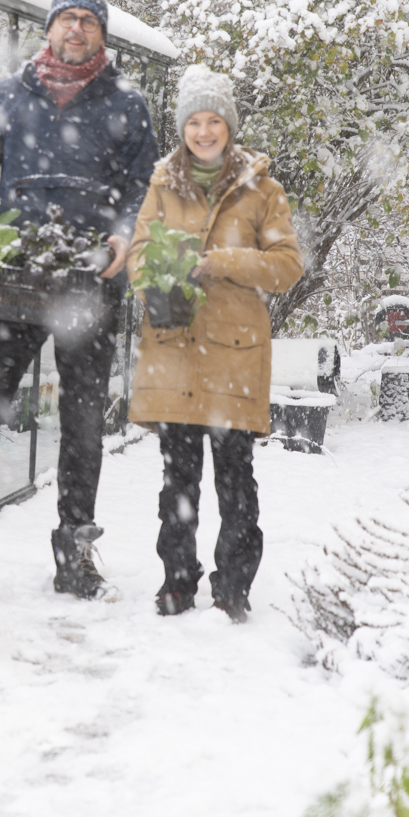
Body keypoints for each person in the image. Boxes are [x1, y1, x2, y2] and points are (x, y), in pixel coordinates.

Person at [0, 0, 159, 598]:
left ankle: (75, 553)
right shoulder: (9, 97)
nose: (75, 28)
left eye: (87, 20)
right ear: (48, 30)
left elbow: (143, 188)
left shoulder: (126, 104)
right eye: (66, 18)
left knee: (81, 422)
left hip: (88, 279)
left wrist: (123, 238)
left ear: (102, 35)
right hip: (14, 279)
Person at [127, 65, 303, 622]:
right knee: (178, 478)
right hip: (174, 349)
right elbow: (136, 255)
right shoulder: (162, 185)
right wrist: (158, 276)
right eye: (194, 122)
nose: (204, 132)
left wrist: (221, 263)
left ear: (229, 126)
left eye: (214, 121)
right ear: (183, 128)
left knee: (234, 479)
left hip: (233, 354)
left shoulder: (263, 190)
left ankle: (233, 584)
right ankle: (177, 582)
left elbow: (287, 267)